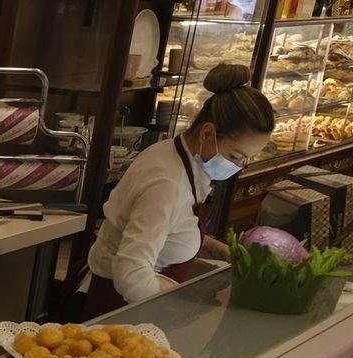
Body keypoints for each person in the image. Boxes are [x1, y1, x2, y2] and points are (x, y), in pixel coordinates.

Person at [80, 63, 275, 316]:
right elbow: (131, 273)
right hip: (122, 308)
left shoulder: (177, 153)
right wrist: (178, 306)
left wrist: (216, 247)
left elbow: (168, 225)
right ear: (207, 133)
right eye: (235, 156)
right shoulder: (167, 184)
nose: (238, 167)